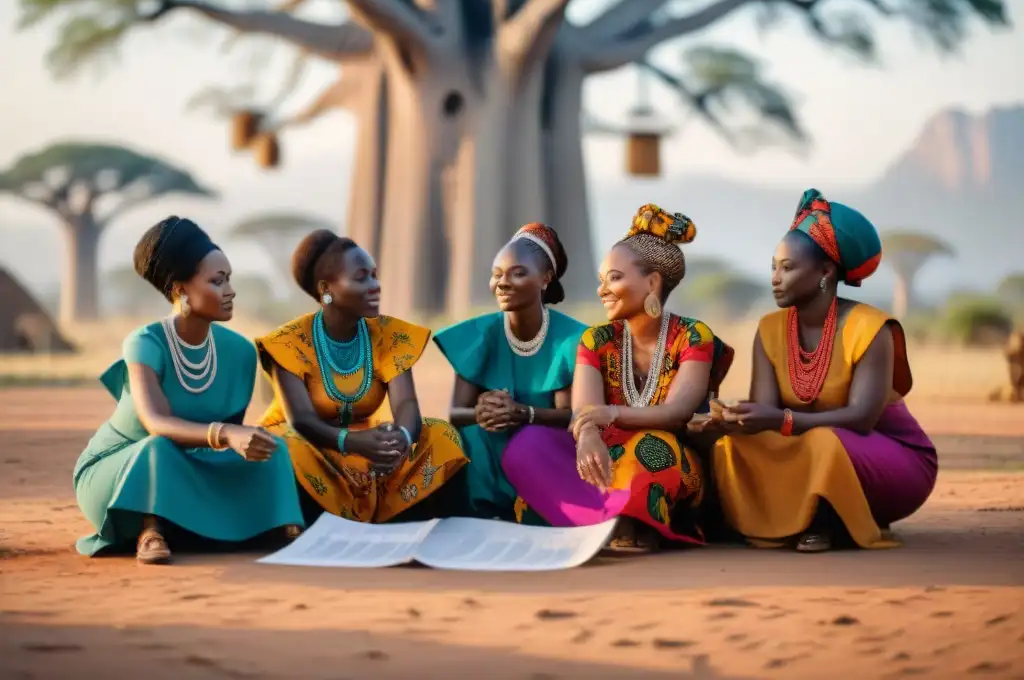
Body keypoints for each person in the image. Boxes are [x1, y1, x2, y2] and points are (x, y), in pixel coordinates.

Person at [706, 189, 938, 552]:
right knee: (733, 446)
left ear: (826, 271)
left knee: (823, 441)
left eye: (787, 268)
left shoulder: (871, 328)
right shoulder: (769, 328)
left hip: (896, 461)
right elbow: (766, 416)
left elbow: (861, 418)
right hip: (809, 450)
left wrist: (779, 420)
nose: (775, 279)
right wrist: (734, 419)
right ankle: (783, 518)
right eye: (773, 267)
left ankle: (825, 521)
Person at [502, 205, 734, 552]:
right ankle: (606, 520)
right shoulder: (596, 340)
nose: (603, 290)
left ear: (652, 282)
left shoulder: (692, 335)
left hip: (666, 457)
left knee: (650, 446)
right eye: (601, 280)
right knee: (528, 444)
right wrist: (588, 434)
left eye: (614, 277)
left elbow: (677, 413)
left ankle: (628, 522)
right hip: (603, 459)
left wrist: (608, 415)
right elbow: (584, 412)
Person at [73, 217, 303, 564]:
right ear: (181, 291)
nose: (230, 290)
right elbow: (156, 422)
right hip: (124, 468)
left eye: (229, 279)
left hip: (190, 464)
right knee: (158, 449)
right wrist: (226, 434)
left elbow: (223, 450)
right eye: (217, 281)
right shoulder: (145, 342)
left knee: (276, 450)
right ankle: (151, 529)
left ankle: (284, 529)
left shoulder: (239, 352)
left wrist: (245, 442)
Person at [255, 230, 468, 523]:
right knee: (287, 443)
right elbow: (301, 420)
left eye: (374, 275)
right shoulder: (288, 342)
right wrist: (352, 443)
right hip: (312, 449)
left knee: (441, 435)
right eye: (361, 278)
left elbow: (406, 404)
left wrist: (401, 439)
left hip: (368, 447)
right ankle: (309, 526)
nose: (375, 286)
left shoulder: (389, 335)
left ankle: (424, 523)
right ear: (326, 288)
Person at [433, 223, 587, 520]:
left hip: (543, 452)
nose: (502, 283)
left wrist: (522, 413)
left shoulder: (570, 340)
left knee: (535, 441)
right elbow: (456, 413)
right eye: (496, 274)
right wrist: (485, 410)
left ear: (545, 279)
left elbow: (572, 415)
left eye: (517, 273)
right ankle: (478, 513)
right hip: (490, 454)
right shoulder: (480, 333)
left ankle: (539, 511)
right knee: (459, 436)